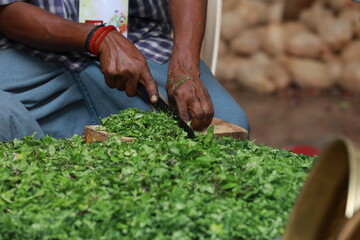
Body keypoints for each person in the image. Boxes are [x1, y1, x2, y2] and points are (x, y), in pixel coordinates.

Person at [0, 0, 249, 141]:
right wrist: (98, 38)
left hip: (141, 42)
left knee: (227, 132)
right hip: (28, 51)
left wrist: (185, 66)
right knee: (11, 130)